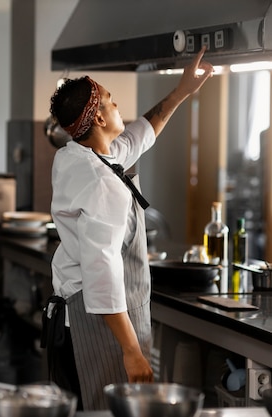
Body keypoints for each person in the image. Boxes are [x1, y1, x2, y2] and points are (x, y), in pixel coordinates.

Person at [43, 48, 213, 410]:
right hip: (102, 323)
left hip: (86, 313)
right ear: (100, 119)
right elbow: (101, 273)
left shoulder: (78, 155)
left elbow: (142, 132)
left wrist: (182, 91)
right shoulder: (101, 183)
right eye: (110, 100)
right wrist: (132, 350)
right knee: (110, 410)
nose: (118, 105)